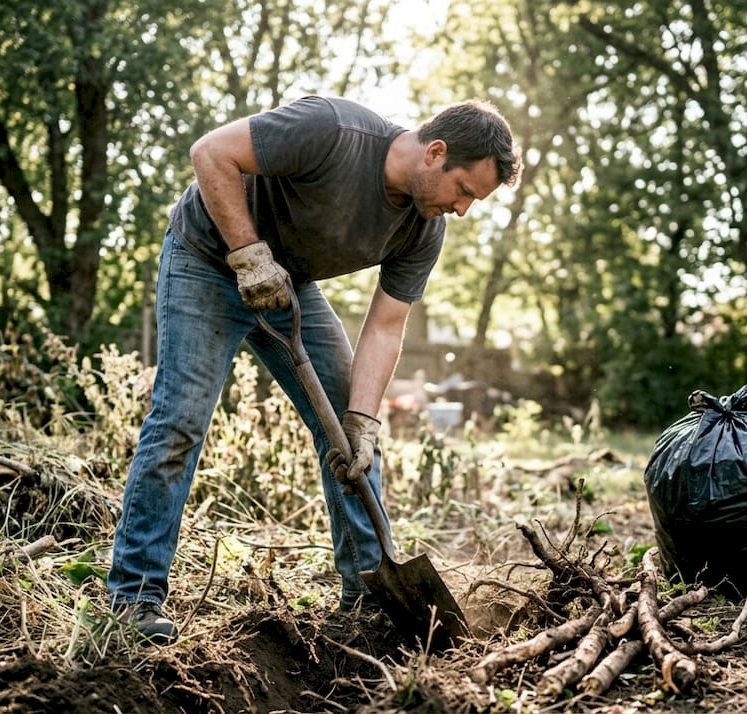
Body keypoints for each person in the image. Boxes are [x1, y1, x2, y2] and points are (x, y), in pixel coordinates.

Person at [107, 95, 523, 643]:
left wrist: (364, 419)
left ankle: (368, 600)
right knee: (181, 421)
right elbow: (210, 153)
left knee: (352, 437)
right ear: (436, 153)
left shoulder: (423, 227)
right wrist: (249, 255)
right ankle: (134, 596)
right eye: (464, 190)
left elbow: (385, 326)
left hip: (290, 286)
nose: (463, 209)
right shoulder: (332, 130)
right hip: (207, 261)